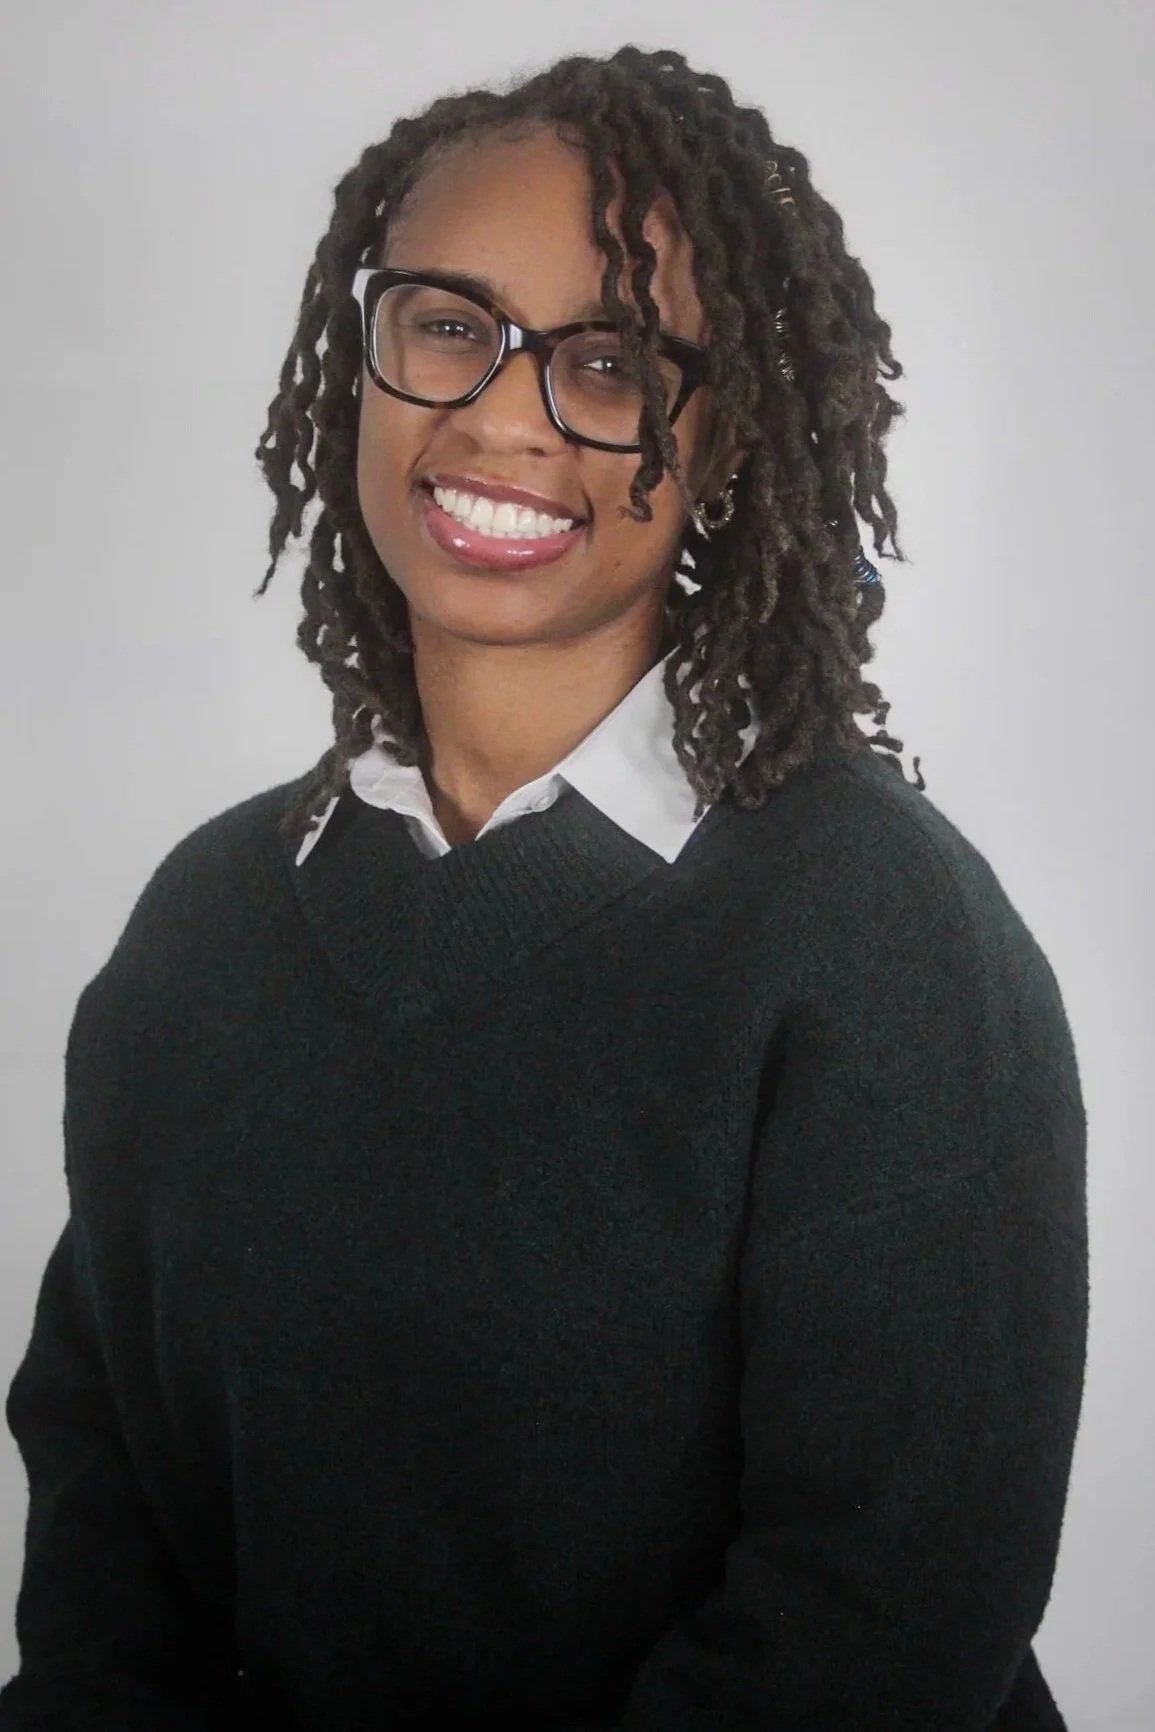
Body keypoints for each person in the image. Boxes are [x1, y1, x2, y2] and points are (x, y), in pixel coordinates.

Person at [0, 42, 1088, 1732]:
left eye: (609, 363)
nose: (504, 415)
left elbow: (886, 1616)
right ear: (359, 362)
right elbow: (107, 1527)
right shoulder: (205, 928)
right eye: (448, 325)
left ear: (723, 443)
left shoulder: (885, 941)